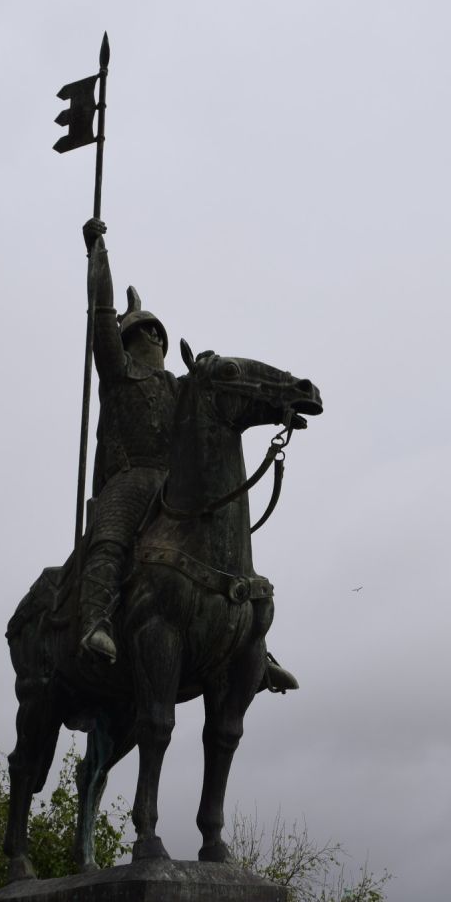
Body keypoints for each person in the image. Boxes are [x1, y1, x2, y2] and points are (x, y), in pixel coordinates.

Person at [77, 218, 296, 693]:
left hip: (179, 487)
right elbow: (101, 314)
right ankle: (97, 621)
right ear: (128, 340)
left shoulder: (180, 388)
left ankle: (254, 645)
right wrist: (99, 253)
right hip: (132, 481)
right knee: (111, 540)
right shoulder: (118, 373)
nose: (153, 337)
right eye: (143, 331)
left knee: (227, 550)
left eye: (156, 331)